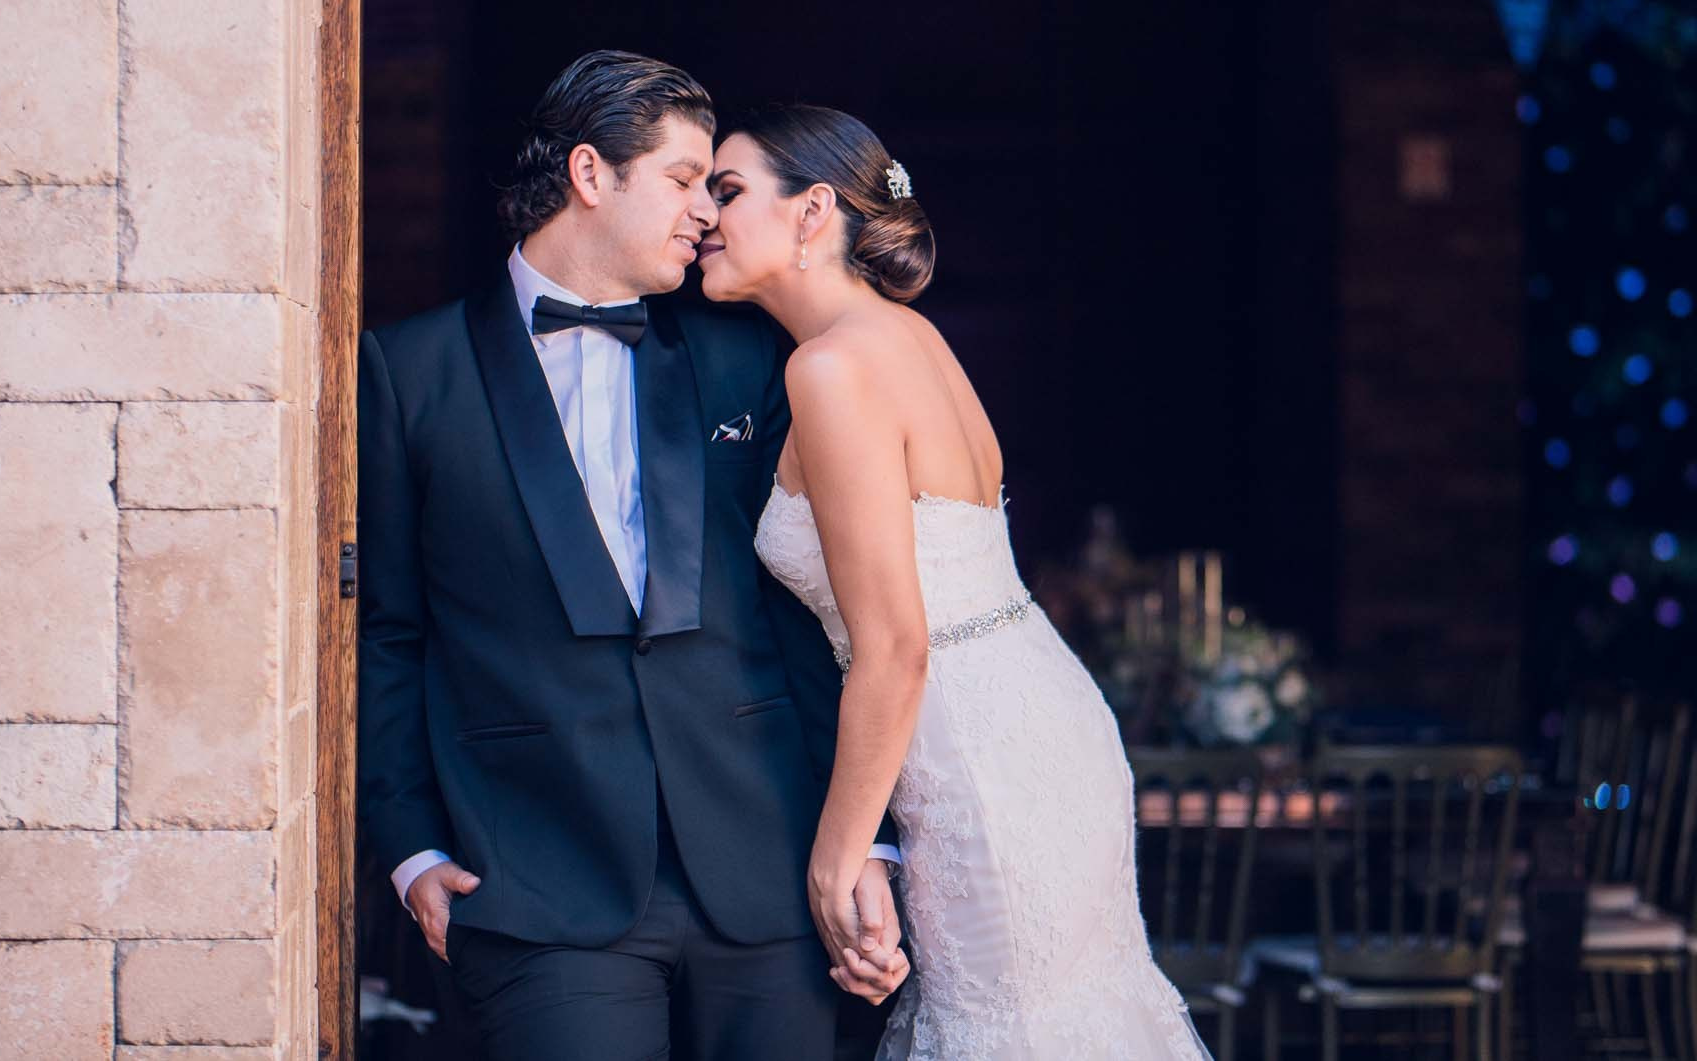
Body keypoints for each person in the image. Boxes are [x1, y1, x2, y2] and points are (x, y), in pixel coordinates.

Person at [357, 53, 906, 1061]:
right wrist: (409, 846)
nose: (707, 210)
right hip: (531, 877)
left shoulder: (748, 360)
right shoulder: (407, 370)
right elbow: (387, 628)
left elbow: (811, 612)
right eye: (684, 178)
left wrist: (867, 839)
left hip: (766, 868)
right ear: (589, 174)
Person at [698, 104, 1212, 1060]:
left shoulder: (832, 368)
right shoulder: (914, 339)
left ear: (813, 212)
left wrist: (836, 858)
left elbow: (894, 646)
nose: (702, 215)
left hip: (977, 759)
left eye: (726, 190)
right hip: (1042, 721)